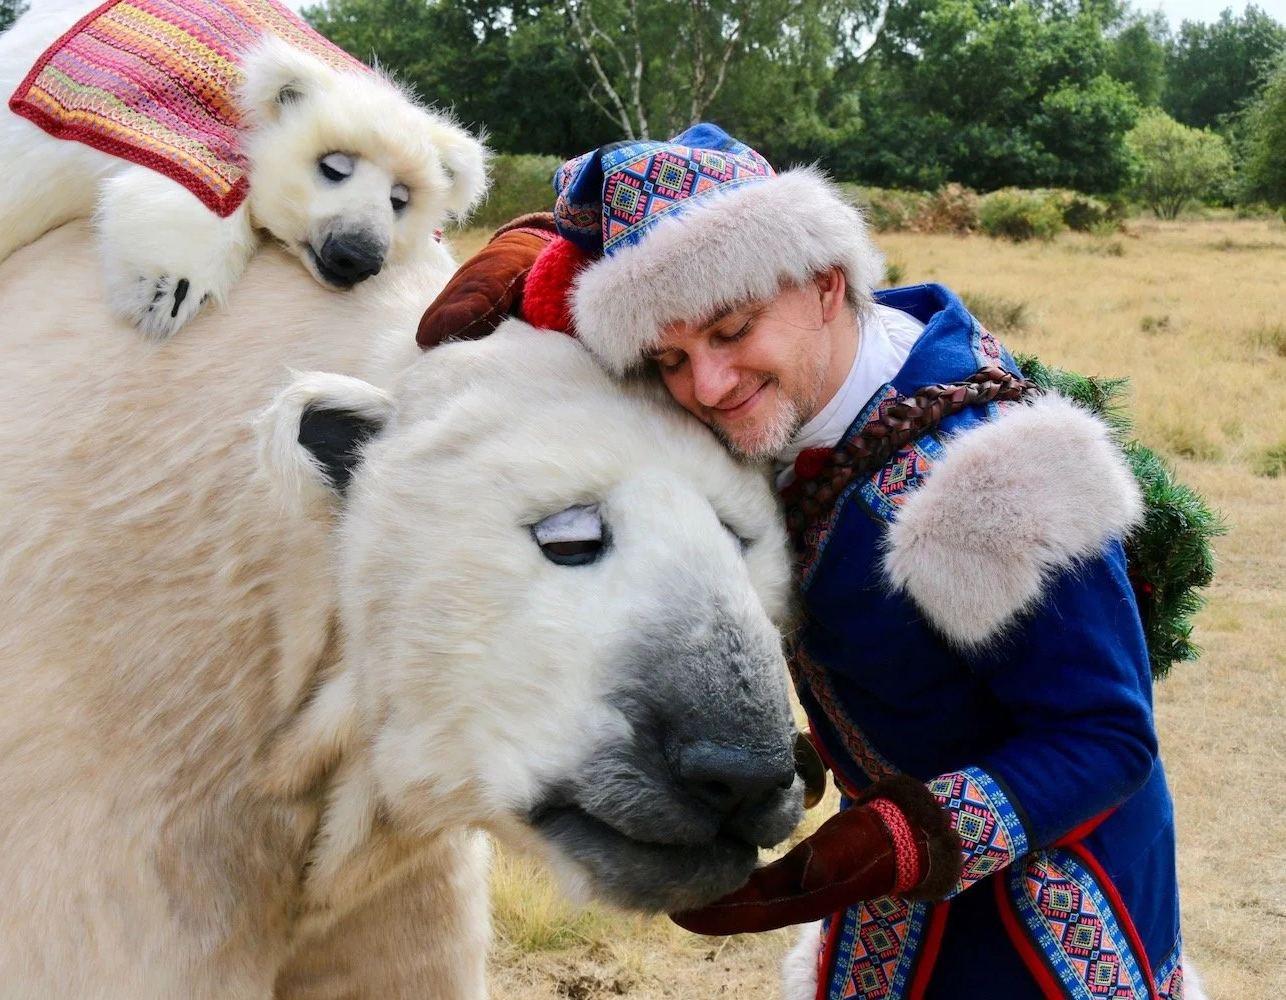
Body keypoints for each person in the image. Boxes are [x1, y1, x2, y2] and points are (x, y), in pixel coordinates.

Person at [417, 123, 1195, 1000]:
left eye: (732, 329)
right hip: (891, 903)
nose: (706, 386)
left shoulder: (996, 475)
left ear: (827, 285)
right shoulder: (789, 402)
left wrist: (897, 840)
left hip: (1044, 914)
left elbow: (1107, 736)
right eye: (670, 357)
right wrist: (538, 252)